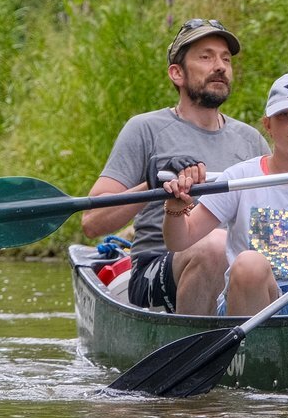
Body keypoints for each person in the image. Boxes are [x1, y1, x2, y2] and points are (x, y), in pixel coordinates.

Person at [82, 18, 270, 314]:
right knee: (214, 245)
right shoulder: (144, 129)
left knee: (251, 259)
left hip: (240, 266)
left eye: (225, 59)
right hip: (156, 267)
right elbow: (92, 224)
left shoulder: (251, 141)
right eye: (206, 57)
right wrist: (153, 184)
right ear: (177, 73)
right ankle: (198, 354)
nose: (219, 66)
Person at [161, 72, 288, 316]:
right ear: (268, 125)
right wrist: (176, 208)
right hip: (248, 301)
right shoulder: (241, 176)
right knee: (251, 263)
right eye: (284, 115)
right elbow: (179, 240)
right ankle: (247, 352)